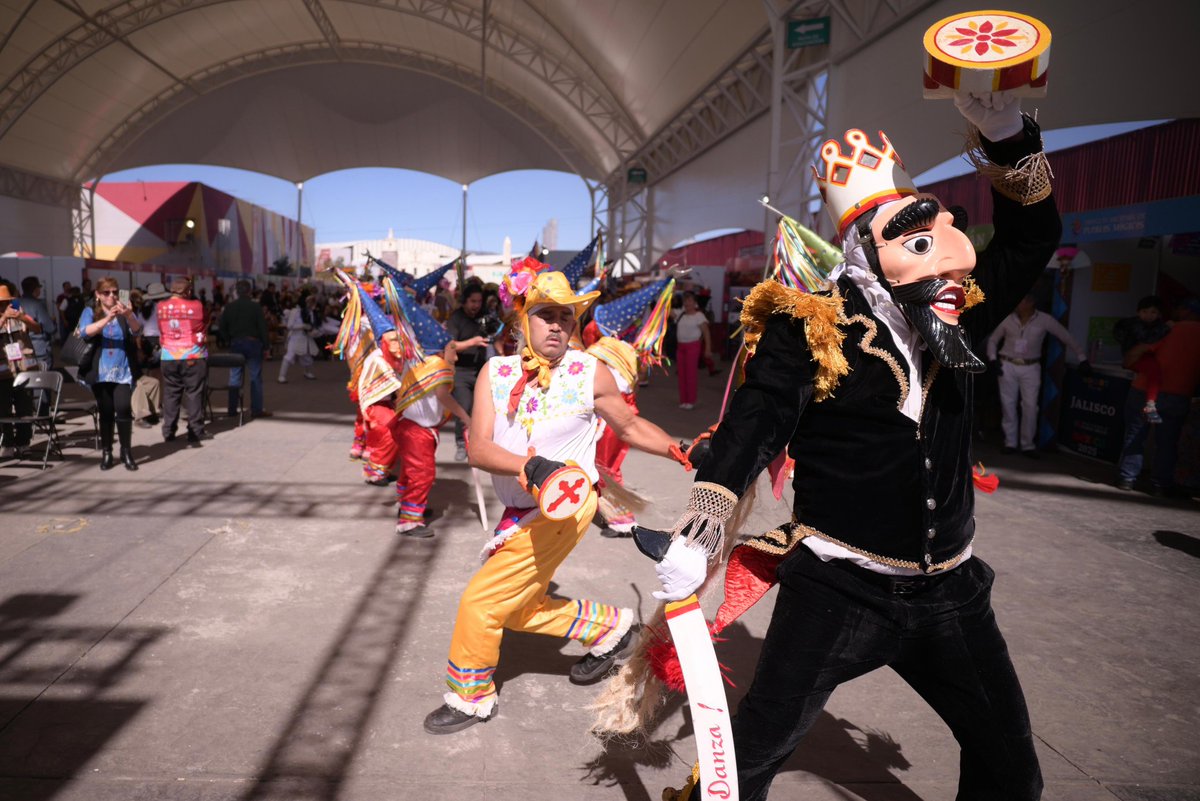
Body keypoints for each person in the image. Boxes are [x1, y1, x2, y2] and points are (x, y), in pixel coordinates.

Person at [621, 92, 1060, 801]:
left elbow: (1032, 238)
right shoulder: (812, 328)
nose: (951, 268)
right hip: (840, 590)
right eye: (917, 243)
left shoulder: (959, 313)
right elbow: (754, 423)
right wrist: (698, 533)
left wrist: (1007, 134)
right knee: (749, 757)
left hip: (951, 591)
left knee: (1012, 770)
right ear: (867, 255)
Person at [422, 262, 693, 736]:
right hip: (521, 506)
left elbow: (628, 427)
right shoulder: (496, 371)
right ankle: (609, 628)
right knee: (519, 606)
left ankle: (471, 697)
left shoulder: (590, 372)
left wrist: (681, 449)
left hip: (565, 508)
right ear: (522, 320)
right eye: (546, 314)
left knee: (480, 604)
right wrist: (528, 466)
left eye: (566, 317)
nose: (557, 325)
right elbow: (479, 447)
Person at [986, 293, 1089, 456]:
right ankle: (1010, 442)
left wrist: (1082, 357)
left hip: (1031, 366)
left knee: (1030, 406)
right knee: (1008, 404)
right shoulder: (1008, 319)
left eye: (1021, 301)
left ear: (1030, 302)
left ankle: (1028, 445)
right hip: (1007, 364)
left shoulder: (1045, 320)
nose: (1017, 305)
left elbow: (1065, 336)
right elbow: (993, 340)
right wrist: (993, 359)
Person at [1116, 297, 1200, 496]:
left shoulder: (1167, 329)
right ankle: (1161, 484)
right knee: (1168, 441)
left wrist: (1130, 360)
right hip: (1180, 394)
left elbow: (1135, 354)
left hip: (1145, 391)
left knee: (1136, 435)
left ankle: (1127, 478)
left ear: (1186, 311)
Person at [76, 277, 142, 470]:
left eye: (114, 292)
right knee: (105, 412)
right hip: (100, 371)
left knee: (123, 409)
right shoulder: (90, 311)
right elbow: (84, 332)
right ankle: (107, 452)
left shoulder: (123, 311)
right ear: (98, 295)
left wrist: (129, 315)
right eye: (106, 292)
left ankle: (126, 451)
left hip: (122, 370)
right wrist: (107, 318)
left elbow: (137, 331)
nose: (111, 296)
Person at [157, 276, 208, 445]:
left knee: (171, 393)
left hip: (168, 356)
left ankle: (168, 431)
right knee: (194, 393)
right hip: (193, 355)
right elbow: (205, 322)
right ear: (188, 291)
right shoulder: (196, 305)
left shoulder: (160, 306)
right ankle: (195, 431)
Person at [445, 284, 488, 461]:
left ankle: (477, 442)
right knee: (463, 407)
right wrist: (472, 342)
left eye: (479, 301)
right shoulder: (456, 318)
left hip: (480, 370)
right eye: (472, 301)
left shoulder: (483, 317)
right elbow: (451, 345)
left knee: (480, 409)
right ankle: (461, 444)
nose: (476, 305)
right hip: (461, 372)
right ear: (464, 302)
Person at [1113, 295, 1171, 423]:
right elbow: (1147, 338)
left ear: (1159, 314)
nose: (1148, 315)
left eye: (1153, 312)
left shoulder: (1159, 326)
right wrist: (1166, 328)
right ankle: (1150, 407)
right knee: (1154, 370)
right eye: (1144, 311)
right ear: (1138, 312)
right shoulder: (1133, 325)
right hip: (1134, 358)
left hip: (1145, 358)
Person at [219, 279, 272, 419]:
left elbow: (222, 327)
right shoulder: (255, 307)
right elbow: (262, 328)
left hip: (236, 344)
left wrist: (228, 339)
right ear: (249, 291)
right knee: (255, 377)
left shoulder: (229, 307)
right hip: (253, 344)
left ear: (236, 291)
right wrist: (266, 346)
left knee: (234, 377)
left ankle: (232, 409)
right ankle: (256, 410)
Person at [0, 282, 41, 458]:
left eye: (7, 301)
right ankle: (7, 443)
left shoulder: (19, 313)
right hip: (3, 373)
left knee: (25, 407)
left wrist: (22, 317)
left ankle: (24, 442)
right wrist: (3, 319)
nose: (6, 306)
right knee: (3, 409)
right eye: (1, 303)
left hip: (23, 369)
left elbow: (38, 328)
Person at [673, 292, 710, 409]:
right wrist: (667, 293)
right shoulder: (680, 314)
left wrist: (708, 349)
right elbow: (666, 311)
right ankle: (683, 400)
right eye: (685, 300)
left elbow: (706, 333)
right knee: (681, 374)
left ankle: (691, 400)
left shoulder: (699, 316)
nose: (687, 303)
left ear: (695, 303)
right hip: (680, 347)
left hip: (693, 346)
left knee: (690, 374)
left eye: (689, 300)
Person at [278, 293, 320, 383]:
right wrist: (302, 326)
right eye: (309, 302)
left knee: (307, 357)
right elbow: (289, 326)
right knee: (289, 356)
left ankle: (307, 372)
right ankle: (281, 376)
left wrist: (313, 331)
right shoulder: (295, 311)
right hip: (295, 337)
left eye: (313, 302)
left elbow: (312, 325)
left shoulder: (311, 313)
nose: (311, 304)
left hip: (306, 338)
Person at [19, 276, 56, 371]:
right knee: (43, 381)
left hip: (22, 349)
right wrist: (53, 320)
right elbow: (50, 328)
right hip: (39, 350)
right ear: (36, 289)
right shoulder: (37, 304)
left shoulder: (15, 303)